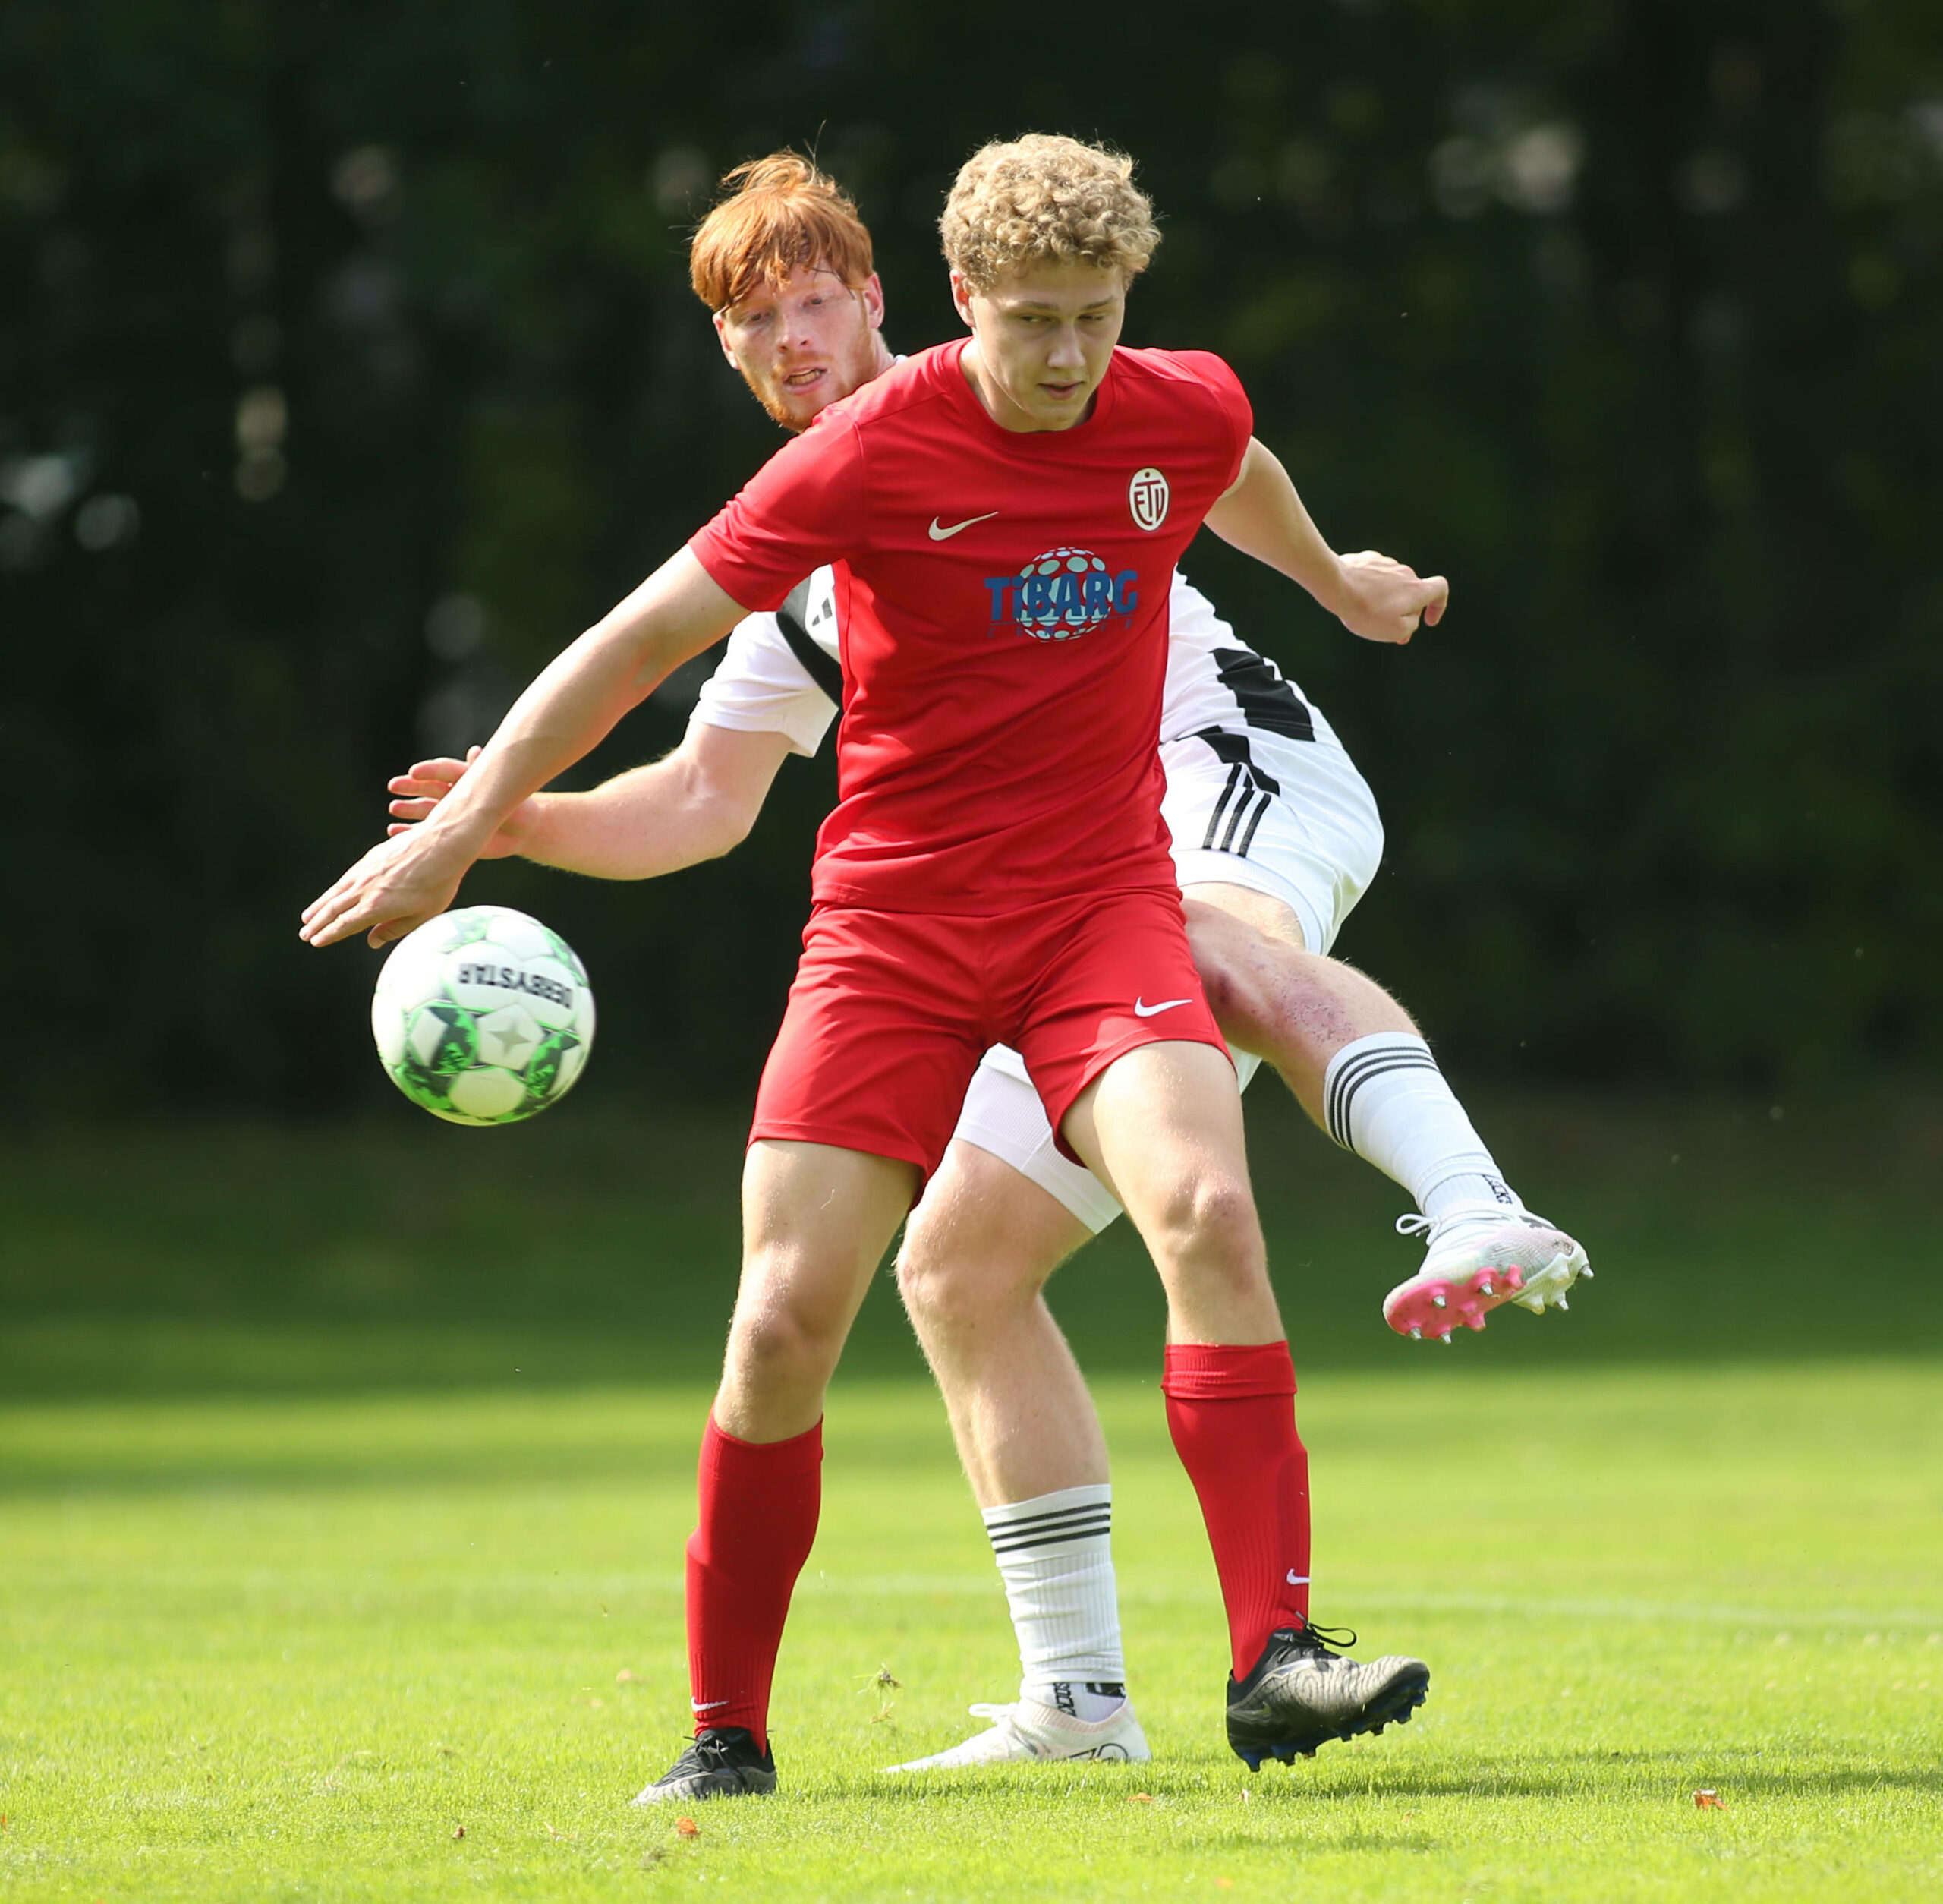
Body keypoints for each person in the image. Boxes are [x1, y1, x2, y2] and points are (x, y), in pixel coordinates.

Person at [386, 153, 1591, 1774]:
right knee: (835, 1307)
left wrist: (1333, 579)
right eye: (756, 322)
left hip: (1156, 832)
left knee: (1211, 1181)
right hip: (897, 931)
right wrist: (491, 821)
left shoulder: (1151, 400)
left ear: (884, 296)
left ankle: (1292, 1619)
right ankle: (792, 1729)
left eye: (815, 301)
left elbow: (1223, 451)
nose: (1068, 355)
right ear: (962, 305)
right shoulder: (843, 482)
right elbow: (677, 751)